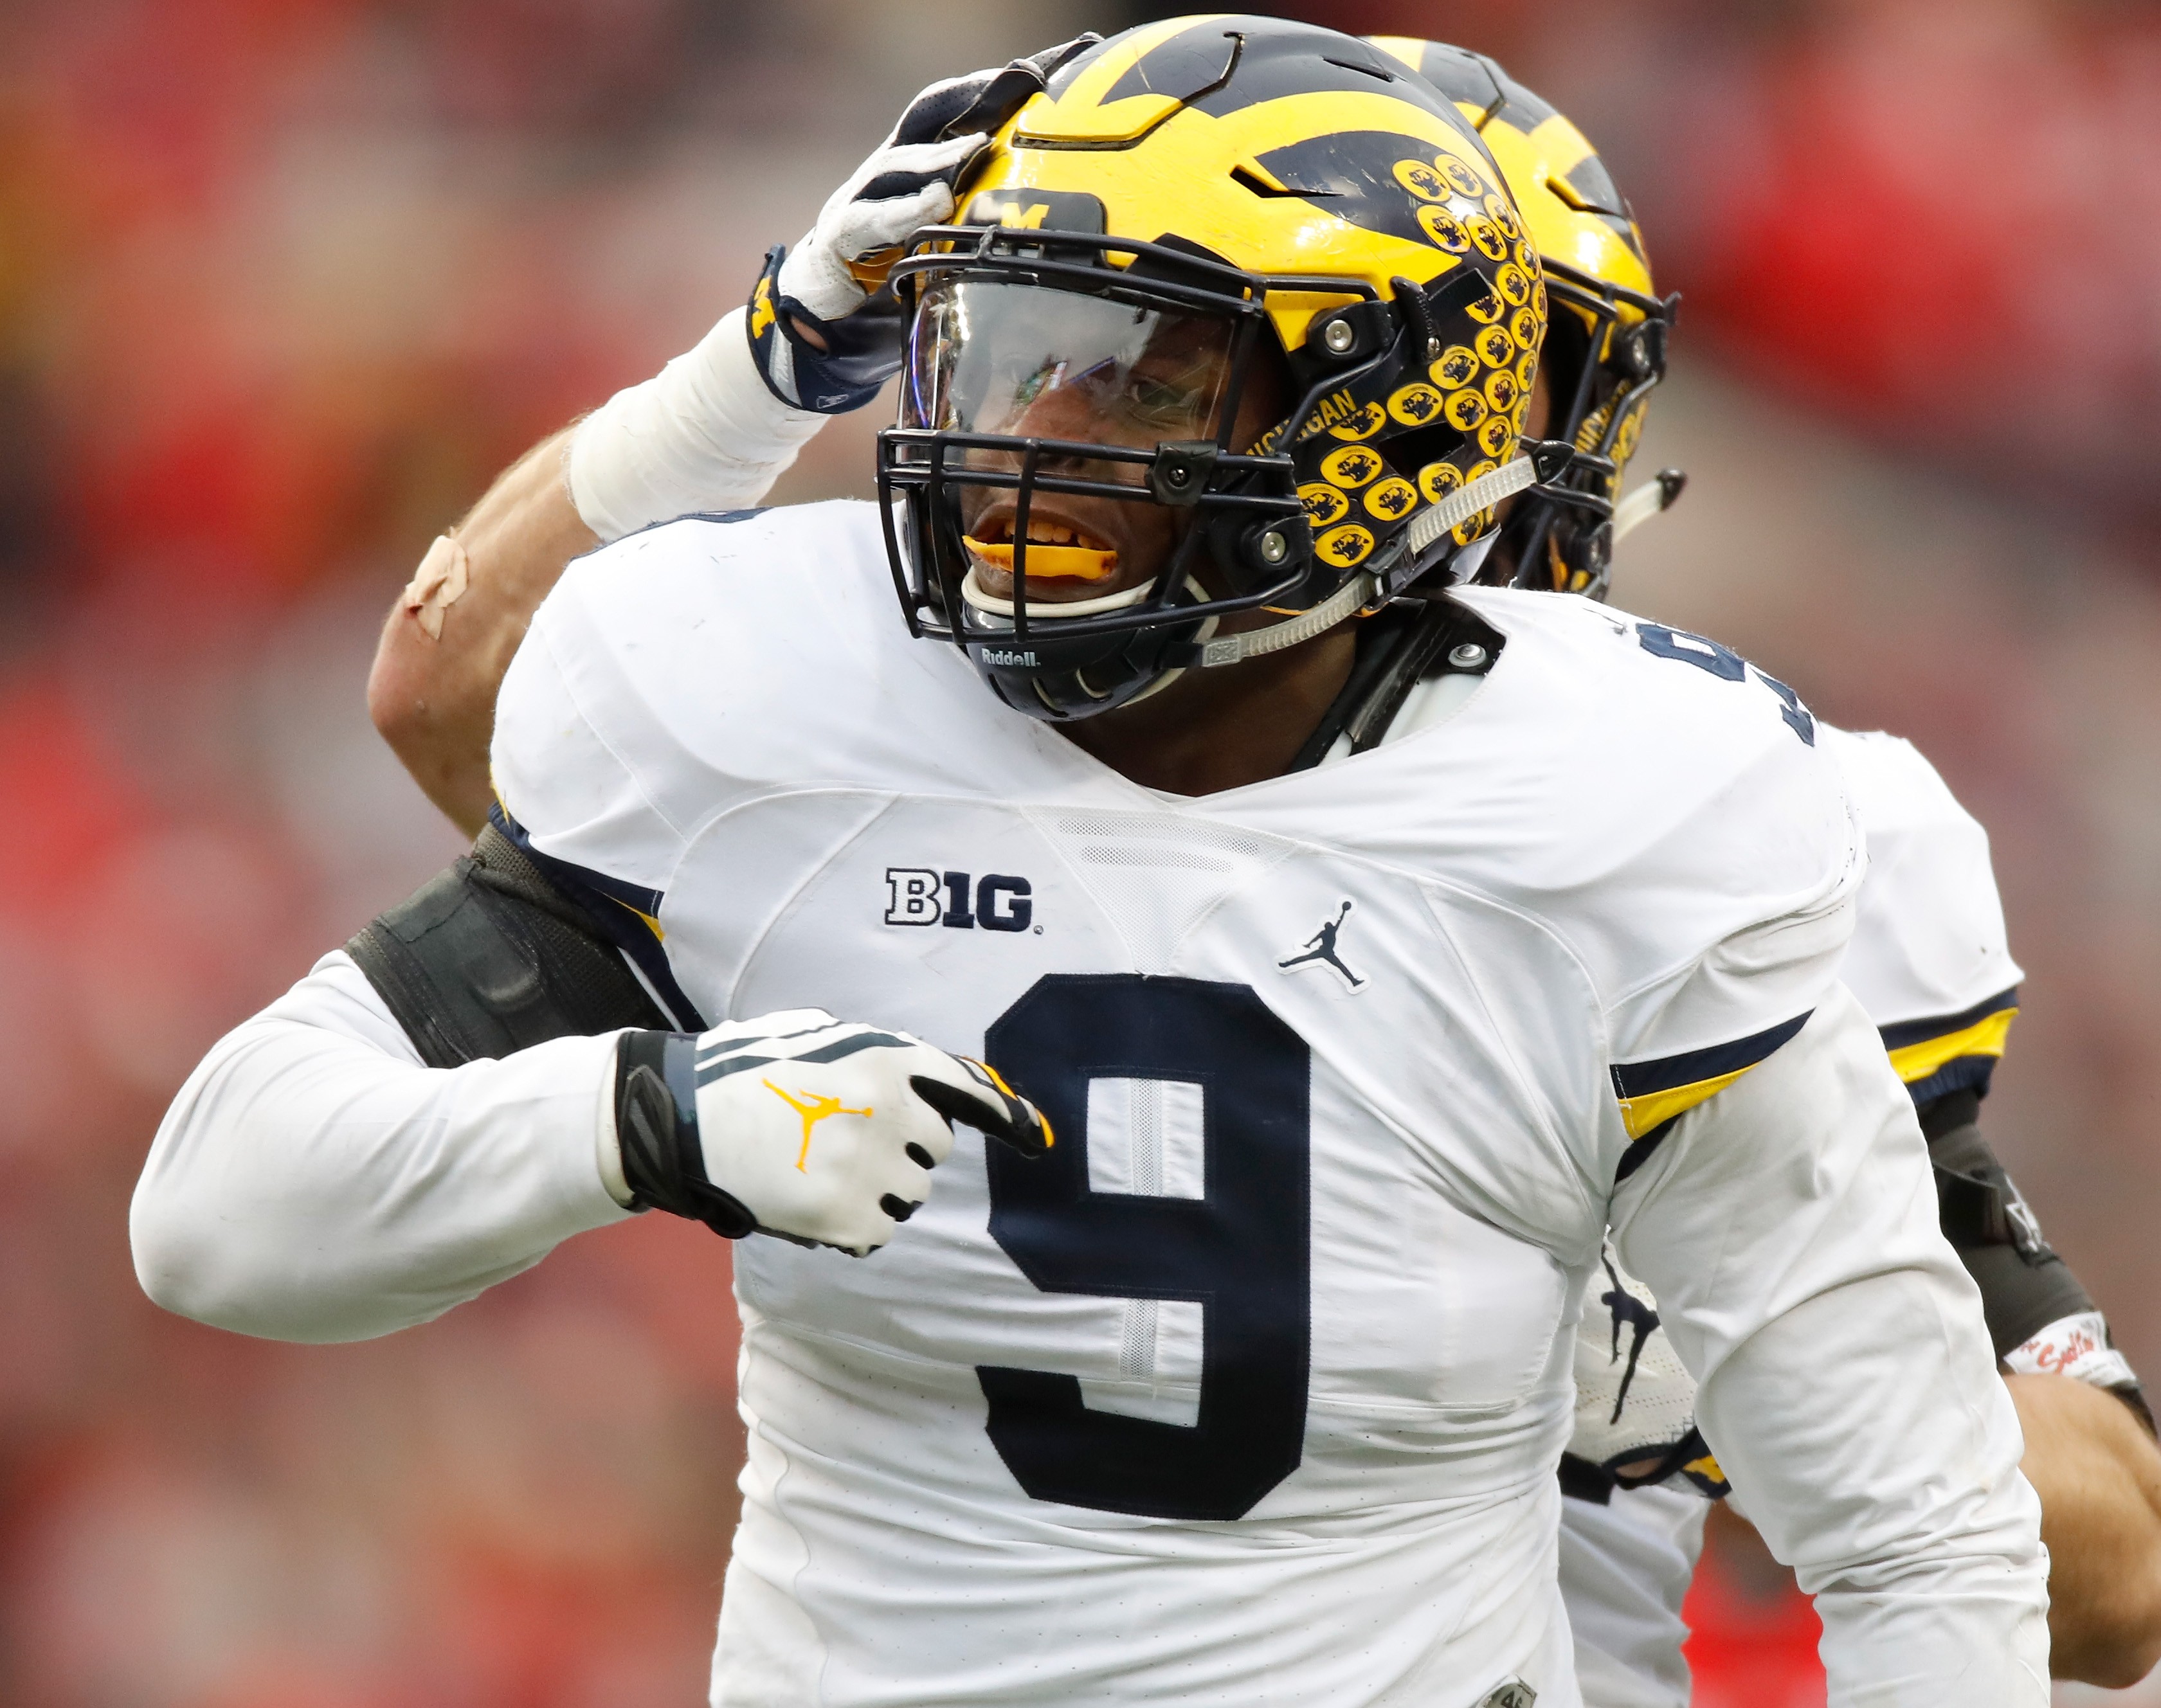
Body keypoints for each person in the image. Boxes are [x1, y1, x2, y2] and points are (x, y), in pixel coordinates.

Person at [132, 21, 2052, 1705]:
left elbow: (1919, 1535)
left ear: (1377, 424)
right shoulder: (769, 700)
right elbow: (219, 1206)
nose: (1026, 440)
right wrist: (644, 1118)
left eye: (1136, 376)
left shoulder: (1629, 810)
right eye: (1003, 356)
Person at [1354, 38, 2161, 1701]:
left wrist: (1733, 1382)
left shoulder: (1731, 835)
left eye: (1455, 376)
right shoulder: (899, 777)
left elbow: (2128, 1567)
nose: (1369, 446)